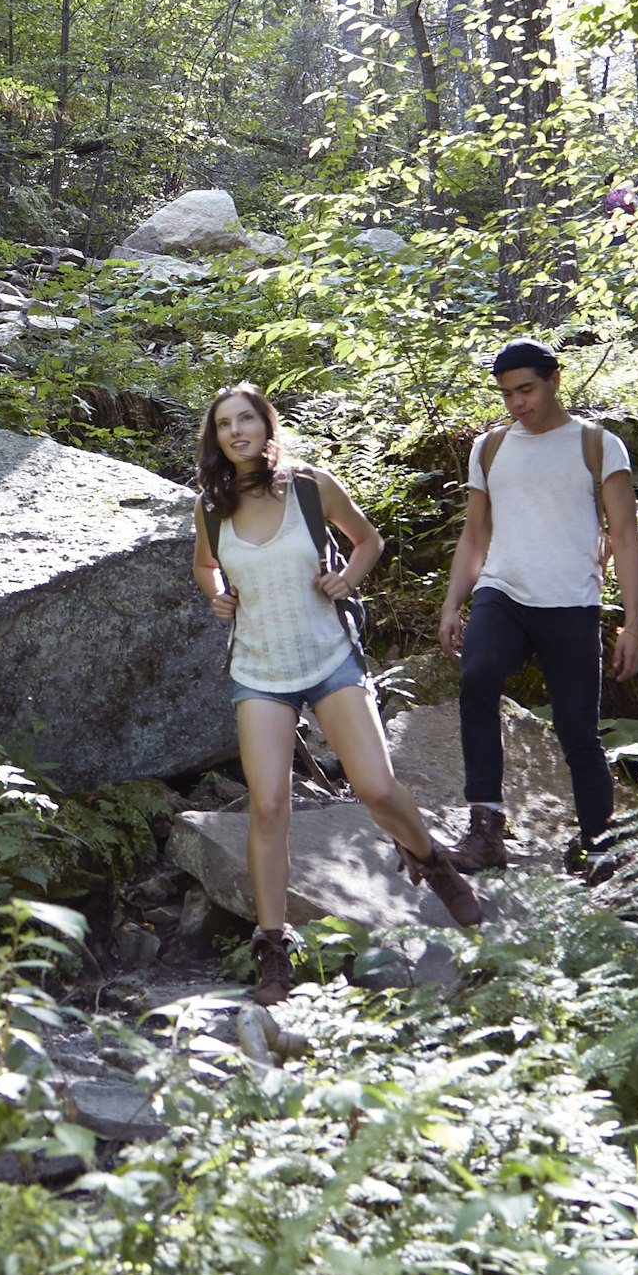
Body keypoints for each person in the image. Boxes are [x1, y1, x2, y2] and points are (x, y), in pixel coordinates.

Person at [193, 382, 484, 1000]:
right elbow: (204, 564)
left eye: (247, 419)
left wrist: (348, 576)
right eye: (225, 424)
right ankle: (274, 949)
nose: (237, 431)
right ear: (216, 439)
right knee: (269, 806)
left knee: (376, 788)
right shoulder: (212, 506)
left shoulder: (309, 486)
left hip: (329, 659)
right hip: (258, 669)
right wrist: (216, 593)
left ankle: (430, 858)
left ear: (267, 426)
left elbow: (369, 540)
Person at [434, 339, 638, 873]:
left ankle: (599, 846)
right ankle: (485, 829)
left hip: (571, 602)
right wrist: (452, 602)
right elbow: (474, 535)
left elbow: (625, 537)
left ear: (555, 378)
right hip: (501, 592)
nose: (517, 403)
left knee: (579, 733)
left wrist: (633, 622)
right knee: (477, 679)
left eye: (526, 389)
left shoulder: (598, 445)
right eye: (507, 394)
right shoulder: (490, 447)